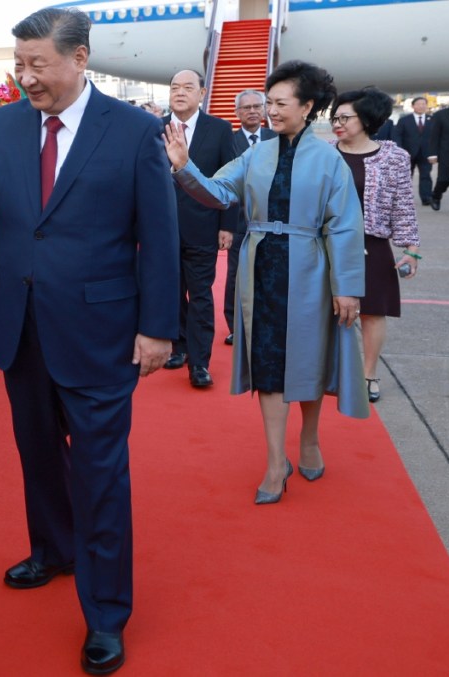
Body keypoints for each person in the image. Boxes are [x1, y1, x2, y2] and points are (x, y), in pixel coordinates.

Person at [0, 8, 179, 674]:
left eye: (38, 65)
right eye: (19, 65)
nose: (26, 78)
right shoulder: (5, 122)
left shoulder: (135, 131)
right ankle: (52, 548)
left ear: (79, 59)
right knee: (39, 455)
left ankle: (106, 612)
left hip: (101, 332)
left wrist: (158, 327)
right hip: (21, 327)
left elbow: (159, 236)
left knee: (101, 474)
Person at [163, 60, 368, 505]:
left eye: (279, 103)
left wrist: (347, 285)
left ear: (307, 106)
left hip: (312, 269)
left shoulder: (328, 158)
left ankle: (309, 439)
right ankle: (277, 460)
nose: (269, 111)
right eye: (268, 102)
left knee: (310, 358)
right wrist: (183, 167)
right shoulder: (256, 153)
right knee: (269, 364)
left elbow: (346, 226)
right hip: (259, 269)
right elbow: (217, 193)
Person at [329, 88, 421, 404]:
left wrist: (410, 247)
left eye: (345, 117)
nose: (337, 123)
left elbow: (403, 205)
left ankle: (368, 374)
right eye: (334, 117)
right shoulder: (324, 153)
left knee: (372, 312)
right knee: (322, 310)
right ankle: (328, 371)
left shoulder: (394, 157)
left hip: (372, 243)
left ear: (367, 119)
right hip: (326, 244)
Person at [162, 69, 236, 388]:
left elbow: (229, 182)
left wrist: (227, 225)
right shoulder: (155, 127)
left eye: (187, 87)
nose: (180, 92)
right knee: (171, 292)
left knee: (201, 295)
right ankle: (177, 347)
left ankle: (199, 362)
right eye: (175, 87)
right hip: (163, 228)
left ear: (202, 93)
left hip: (203, 226)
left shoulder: (218, 129)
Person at [225, 90, 276, 345]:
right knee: (236, 275)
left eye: (258, 106)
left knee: (269, 275)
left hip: (272, 221)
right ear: (238, 113)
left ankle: (266, 324)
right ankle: (234, 325)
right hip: (239, 222)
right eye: (247, 108)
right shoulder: (228, 142)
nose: (253, 111)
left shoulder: (276, 138)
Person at [392, 97, 434, 205]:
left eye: (423, 104)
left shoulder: (433, 119)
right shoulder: (404, 120)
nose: (421, 106)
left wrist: (435, 152)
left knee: (426, 175)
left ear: (426, 106)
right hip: (408, 153)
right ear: (413, 106)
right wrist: (400, 150)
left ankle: (426, 197)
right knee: (406, 177)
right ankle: (404, 198)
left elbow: (437, 137)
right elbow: (397, 135)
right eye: (418, 104)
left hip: (426, 153)